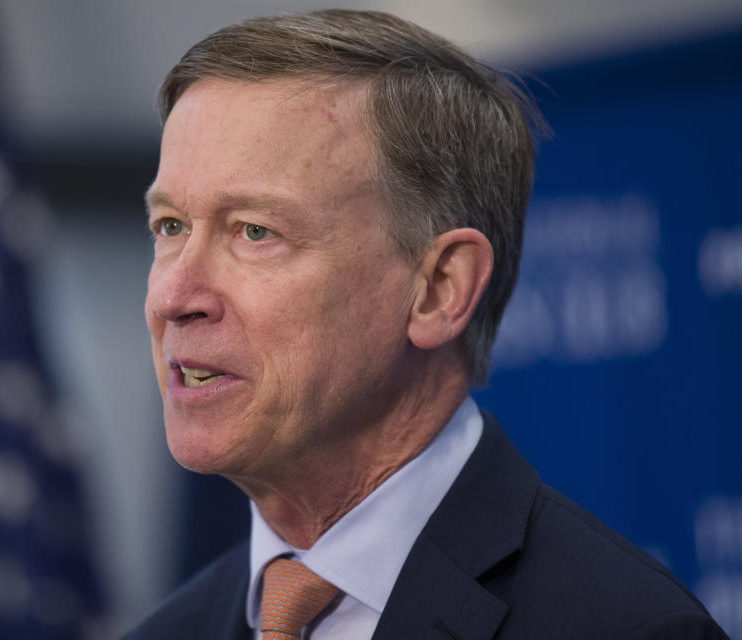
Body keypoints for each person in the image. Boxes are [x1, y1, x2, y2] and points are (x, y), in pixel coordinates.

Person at [127, 10, 727, 639]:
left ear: (440, 289)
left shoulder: (626, 629)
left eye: (255, 231)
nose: (173, 295)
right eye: (170, 227)